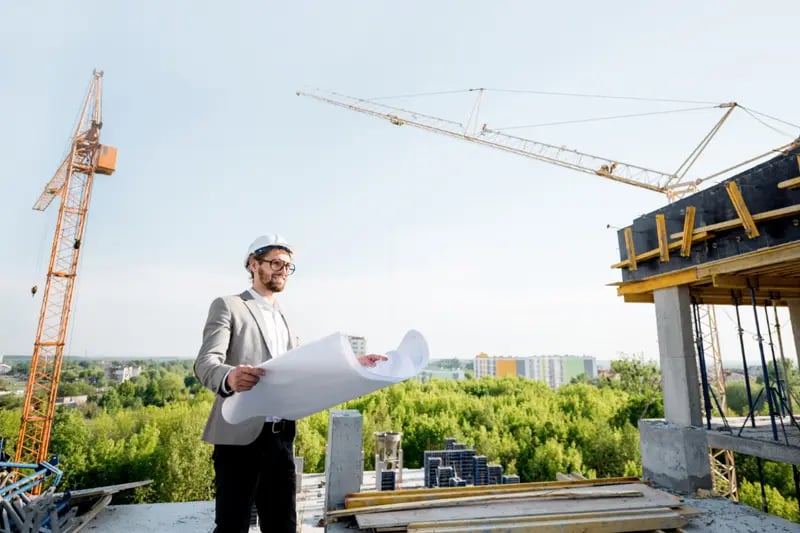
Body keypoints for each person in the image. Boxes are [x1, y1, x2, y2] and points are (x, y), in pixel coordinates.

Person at [193, 233, 387, 533]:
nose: (283, 270)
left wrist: (353, 363)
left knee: (283, 525)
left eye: (288, 266)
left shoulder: (286, 318)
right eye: (275, 263)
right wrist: (229, 377)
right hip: (238, 438)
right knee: (233, 526)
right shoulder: (229, 306)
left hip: (280, 438)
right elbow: (205, 364)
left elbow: (303, 368)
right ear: (253, 264)